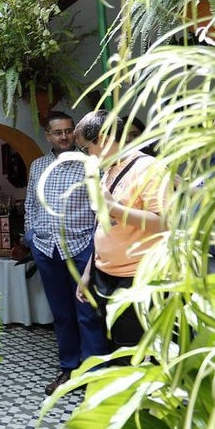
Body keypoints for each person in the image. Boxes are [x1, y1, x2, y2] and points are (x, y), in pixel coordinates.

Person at [23, 111, 108, 396]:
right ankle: (69, 369)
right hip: (47, 249)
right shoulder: (37, 165)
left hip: (81, 247)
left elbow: (102, 209)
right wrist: (32, 236)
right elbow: (30, 204)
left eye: (68, 131)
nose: (64, 136)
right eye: (57, 132)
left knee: (88, 313)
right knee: (61, 315)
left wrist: (96, 247)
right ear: (47, 135)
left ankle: (94, 376)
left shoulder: (91, 164)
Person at [74, 110, 172, 350]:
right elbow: (103, 226)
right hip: (106, 274)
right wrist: (88, 272)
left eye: (86, 148)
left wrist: (113, 208)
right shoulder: (108, 171)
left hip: (137, 276)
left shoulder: (148, 168)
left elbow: (165, 222)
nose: (86, 156)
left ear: (105, 138)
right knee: (116, 346)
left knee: (135, 351)